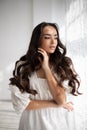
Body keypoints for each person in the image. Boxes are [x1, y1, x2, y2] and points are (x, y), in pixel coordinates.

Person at [9, 22, 81, 130]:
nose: (53, 42)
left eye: (56, 37)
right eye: (47, 37)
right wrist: (55, 104)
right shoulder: (23, 65)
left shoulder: (64, 64)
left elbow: (61, 100)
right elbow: (23, 104)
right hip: (32, 120)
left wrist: (47, 69)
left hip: (58, 121)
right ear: (37, 40)